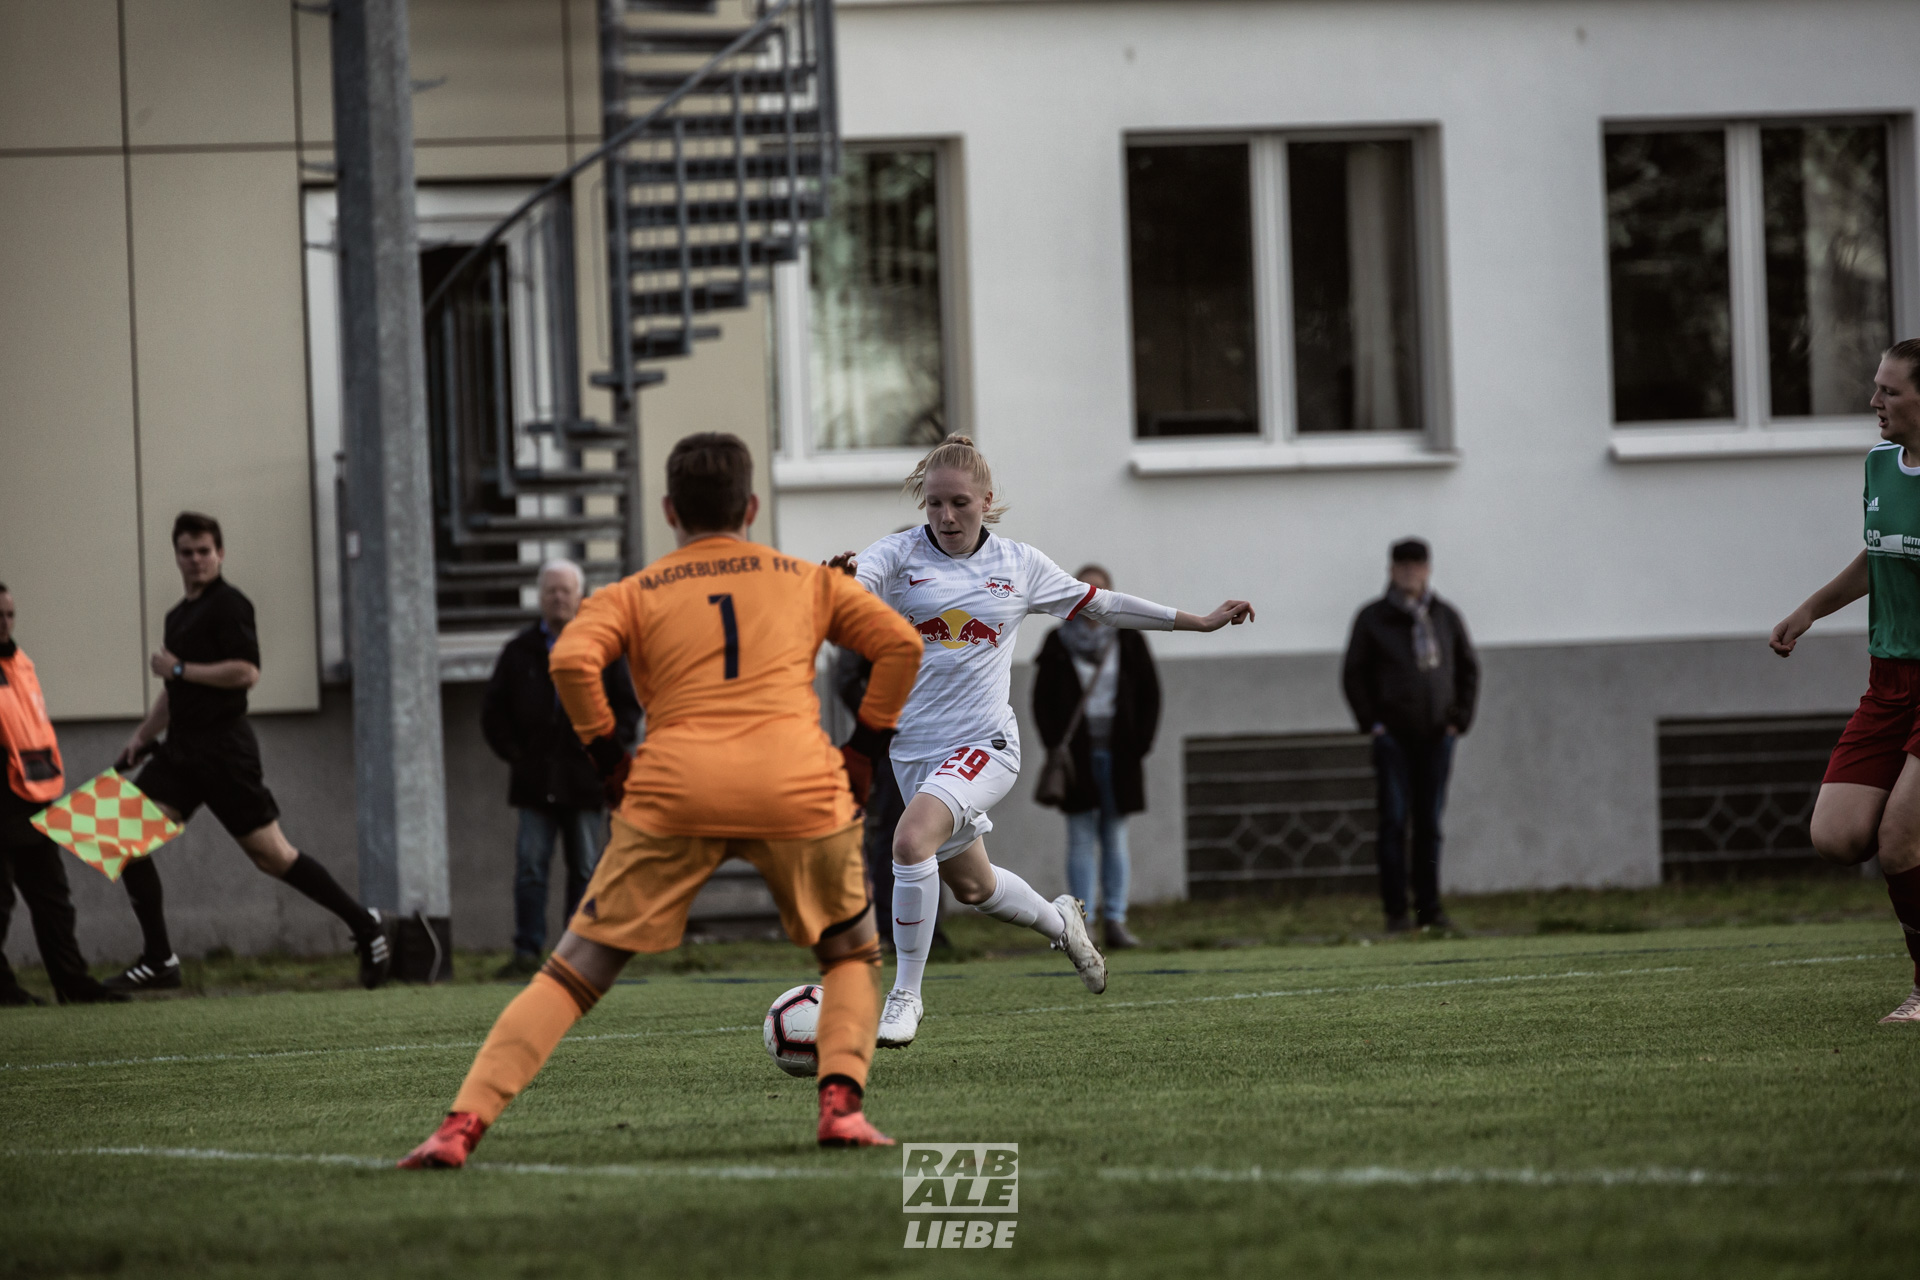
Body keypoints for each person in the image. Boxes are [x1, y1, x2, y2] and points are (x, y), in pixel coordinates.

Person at [398, 432, 922, 1168]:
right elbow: (901, 645)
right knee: (848, 955)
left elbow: (571, 659)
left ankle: (460, 1127)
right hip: (795, 785)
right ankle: (840, 1108)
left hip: (674, 789)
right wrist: (863, 755)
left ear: (670, 510)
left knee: (572, 971)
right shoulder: (807, 579)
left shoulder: (634, 591)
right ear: (751, 506)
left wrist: (612, 762)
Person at [835, 436, 1254, 1049]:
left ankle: (905, 995)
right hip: (914, 750)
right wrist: (841, 581)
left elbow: (1104, 606)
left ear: (987, 500)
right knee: (974, 888)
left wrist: (1198, 619)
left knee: (907, 840)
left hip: (987, 744)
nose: (946, 518)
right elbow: (856, 581)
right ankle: (1062, 921)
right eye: (934, 505)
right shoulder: (897, 556)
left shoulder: (1018, 565)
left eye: (959, 504)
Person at [107, 513, 390, 992]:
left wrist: (178, 671)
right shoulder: (178, 615)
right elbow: (174, 694)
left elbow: (245, 672)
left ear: (220, 553)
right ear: (175, 556)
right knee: (120, 839)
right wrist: (141, 736)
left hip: (225, 752)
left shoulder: (231, 605)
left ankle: (365, 924)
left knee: (272, 857)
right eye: (186, 552)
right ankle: (159, 959)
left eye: (204, 551)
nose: (195, 560)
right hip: (180, 753)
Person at [1770, 338, 1920, 1025]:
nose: (1874, 402)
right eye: (1876, 387)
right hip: (1887, 678)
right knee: (1837, 835)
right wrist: (1807, 610)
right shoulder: (1880, 464)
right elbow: (1878, 553)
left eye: (1889, 391)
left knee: (1899, 841)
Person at [482, 559, 641, 978]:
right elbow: (493, 713)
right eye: (550, 590)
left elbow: (627, 709)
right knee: (531, 868)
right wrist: (518, 754)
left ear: (579, 596)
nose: (557, 597)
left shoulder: (603, 647)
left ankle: (576, 956)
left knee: (587, 869)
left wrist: (603, 754)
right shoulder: (519, 651)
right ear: (540, 596)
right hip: (535, 784)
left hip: (586, 783)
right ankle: (526, 952)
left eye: (565, 590)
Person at [1341, 537, 1479, 934]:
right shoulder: (1373, 619)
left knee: (1430, 824)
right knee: (1394, 821)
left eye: (1416, 565)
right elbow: (1354, 674)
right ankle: (1396, 912)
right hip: (1392, 739)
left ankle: (1430, 910)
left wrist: (1459, 720)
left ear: (1427, 569)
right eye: (1402, 565)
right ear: (1390, 570)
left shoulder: (1444, 617)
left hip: (1437, 736)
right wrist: (1373, 724)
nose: (1409, 572)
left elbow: (1468, 669)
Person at [0, 584, 124, 1005]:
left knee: (53, 898)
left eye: (10, 614)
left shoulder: (21, 663)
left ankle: (73, 982)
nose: (4, 623)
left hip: (33, 793)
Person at [1033, 564, 1161, 951]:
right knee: (1080, 836)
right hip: (1077, 756)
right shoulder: (1057, 641)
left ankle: (1117, 921)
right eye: (1084, 590)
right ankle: (1079, 925)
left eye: (1099, 590)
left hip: (1120, 753)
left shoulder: (1129, 639)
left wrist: (1139, 743)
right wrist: (1056, 746)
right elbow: (1042, 701)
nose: (1092, 597)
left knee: (1115, 835)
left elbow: (1150, 695)